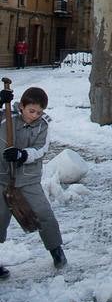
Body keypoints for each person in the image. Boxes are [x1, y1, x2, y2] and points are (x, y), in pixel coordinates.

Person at [0, 85, 67, 279]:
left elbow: (41, 149)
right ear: (21, 106)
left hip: (28, 179)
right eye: (31, 111)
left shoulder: (43, 125)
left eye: (39, 112)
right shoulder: (5, 116)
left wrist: (22, 154)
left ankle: (56, 250)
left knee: (43, 213)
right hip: (2, 177)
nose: (35, 115)